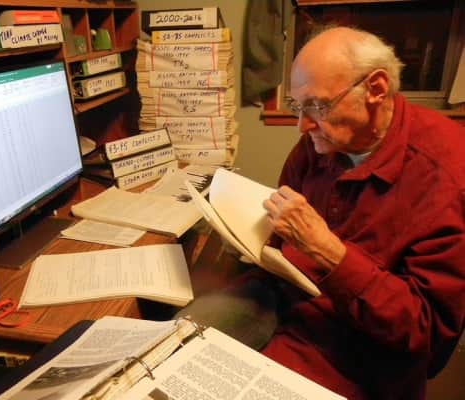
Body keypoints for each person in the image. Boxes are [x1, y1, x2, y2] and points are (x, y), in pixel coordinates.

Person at [178, 26, 465, 400]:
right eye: (298, 106)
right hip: (283, 299)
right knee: (174, 346)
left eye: (318, 105)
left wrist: (329, 252)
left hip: (358, 349)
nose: (303, 125)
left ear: (376, 89)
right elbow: (280, 238)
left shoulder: (448, 177)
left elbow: (426, 336)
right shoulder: (319, 143)